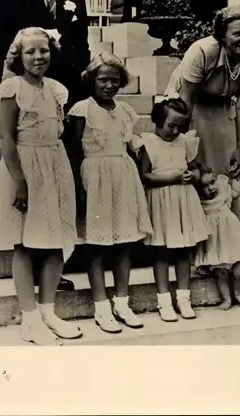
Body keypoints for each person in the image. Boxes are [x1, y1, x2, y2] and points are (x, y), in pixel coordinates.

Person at [0, 0, 91, 290]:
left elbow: (83, 52)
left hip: (62, 102)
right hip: (27, 100)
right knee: (35, 193)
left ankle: (54, 268)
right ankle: (33, 270)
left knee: (60, 191)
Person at [0, 27, 82, 345]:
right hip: (24, 168)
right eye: (30, 52)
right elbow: (6, 138)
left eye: (43, 50)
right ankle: (29, 319)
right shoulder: (11, 88)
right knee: (24, 244)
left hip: (54, 166)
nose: (38, 57)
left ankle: (47, 311)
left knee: (56, 242)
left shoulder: (57, 89)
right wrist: (19, 182)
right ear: (19, 55)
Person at [164, 5, 240, 274]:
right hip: (187, 108)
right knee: (201, 171)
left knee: (230, 172)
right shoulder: (203, 51)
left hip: (222, 107)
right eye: (237, 33)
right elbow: (185, 100)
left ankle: (236, 250)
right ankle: (203, 253)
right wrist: (184, 148)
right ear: (222, 35)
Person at [67, 52, 153, 334]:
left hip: (123, 178)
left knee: (124, 242)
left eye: (115, 81)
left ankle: (122, 302)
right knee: (97, 245)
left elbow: (132, 146)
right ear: (92, 80)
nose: (109, 85)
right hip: (95, 178)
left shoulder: (126, 111)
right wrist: (79, 187)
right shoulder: (83, 109)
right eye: (103, 80)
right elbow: (75, 151)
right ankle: (101, 306)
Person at [138, 98, 210, 321]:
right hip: (162, 201)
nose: (176, 130)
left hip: (183, 201)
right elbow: (145, 176)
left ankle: (183, 298)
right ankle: (164, 301)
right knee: (161, 252)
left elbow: (195, 170)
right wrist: (173, 177)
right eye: (171, 125)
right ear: (158, 122)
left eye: (181, 126)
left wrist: (192, 175)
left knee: (183, 251)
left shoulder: (183, 142)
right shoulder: (149, 143)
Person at [194, 165, 240, 310]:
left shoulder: (224, 192)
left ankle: (238, 292)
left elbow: (236, 192)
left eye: (213, 182)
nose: (211, 188)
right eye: (205, 186)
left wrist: (235, 178)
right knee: (220, 273)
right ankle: (227, 298)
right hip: (216, 245)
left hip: (233, 240)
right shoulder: (199, 203)